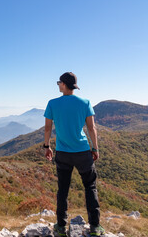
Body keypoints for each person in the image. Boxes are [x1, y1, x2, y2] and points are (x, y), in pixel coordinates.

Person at [43, 72, 105, 237]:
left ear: (63, 84)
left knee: (62, 189)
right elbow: (91, 128)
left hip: (63, 153)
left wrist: (47, 146)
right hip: (83, 152)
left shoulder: (52, 103)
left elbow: (48, 128)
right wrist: (95, 148)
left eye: (58, 83)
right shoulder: (85, 103)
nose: (58, 85)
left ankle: (61, 227)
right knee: (90, 187)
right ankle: (95, 227)